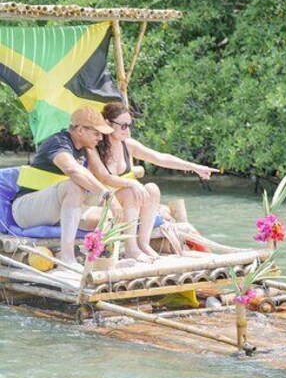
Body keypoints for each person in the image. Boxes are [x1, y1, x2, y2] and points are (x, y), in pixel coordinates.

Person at [86, 102, 217, 261]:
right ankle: (131, 249)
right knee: (131, 191)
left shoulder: (128, 145)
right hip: (102, 202)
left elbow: (160, 158)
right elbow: (104, 178)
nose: (128, 130)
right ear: (108, 123)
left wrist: (195, 167)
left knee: (152, 188)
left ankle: (143, 244)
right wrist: (132, 183)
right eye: (123, 126)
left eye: (129, 125)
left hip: (127, 203)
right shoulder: (93, 146)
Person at [11, 107, 119, 264]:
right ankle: (68, 259)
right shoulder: (58, 142)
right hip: (25, 209)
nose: (101, 138)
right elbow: (71, 170)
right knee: (73, 187)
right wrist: (106, 193)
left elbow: (99, 178)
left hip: (54, 211)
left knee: (108, 213)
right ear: (80, 130)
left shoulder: (82, 149)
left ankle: (108, 257)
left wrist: (111, 200)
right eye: (96, 133)